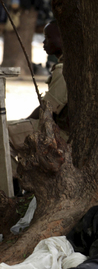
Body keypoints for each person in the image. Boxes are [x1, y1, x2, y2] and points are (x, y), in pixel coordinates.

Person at [8, 21, 68, 185]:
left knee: (2, 134)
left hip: (59, 133)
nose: (43, 42)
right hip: (55, 128)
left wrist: (25, 121)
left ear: (64, 39)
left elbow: (48, 109)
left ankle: (14, 182)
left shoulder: (65, 70)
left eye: (48, 37)